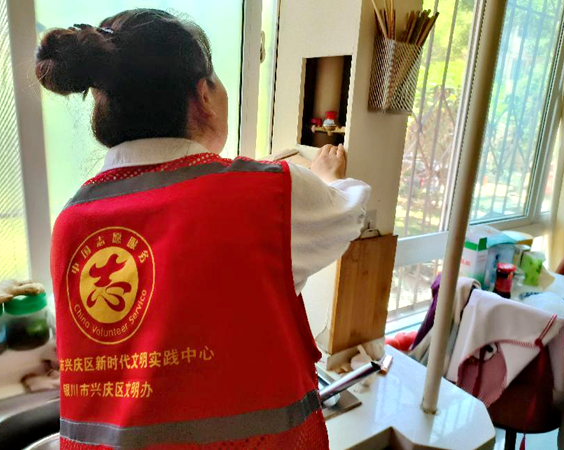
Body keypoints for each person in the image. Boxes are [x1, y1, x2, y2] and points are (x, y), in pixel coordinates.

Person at [38, 9, 370, 449]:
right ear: (203, 95)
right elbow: (348, 214)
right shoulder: (268, 194)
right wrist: (326, 178)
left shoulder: (71, 222)